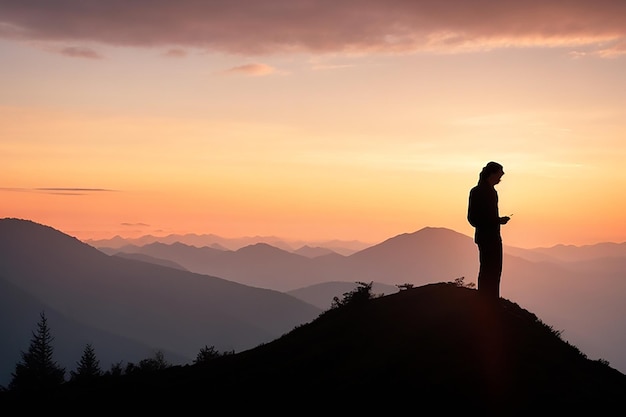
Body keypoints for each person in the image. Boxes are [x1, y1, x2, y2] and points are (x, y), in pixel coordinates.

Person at [467, 161, 511, 299]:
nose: (501, 177)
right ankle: (488, 300)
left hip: (486, 236)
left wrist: (496, 220)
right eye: (499, 174)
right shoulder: (483, 192)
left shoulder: (481, 191)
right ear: (492, 174)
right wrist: (497, 220)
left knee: (489, 269)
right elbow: (474, 218)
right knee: (491, 269)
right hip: (489, 237)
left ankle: (488, 298)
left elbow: (474, 218)